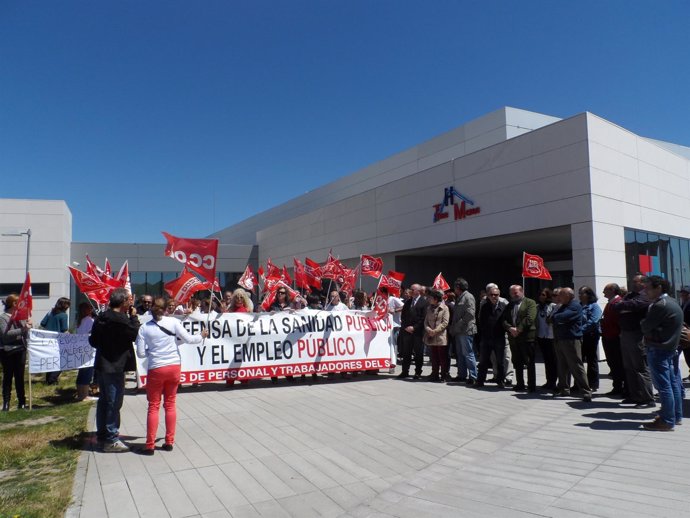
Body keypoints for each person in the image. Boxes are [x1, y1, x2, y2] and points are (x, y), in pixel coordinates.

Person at [135, 298, 208, 454]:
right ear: (166, 309)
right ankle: (169, 441)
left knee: (153, 406)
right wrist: (201, 335)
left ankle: (149, 445)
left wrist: (152, 353)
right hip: (174, 366)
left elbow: (140, 353)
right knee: (170, 404)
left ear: (151, 310)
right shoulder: (174, 323)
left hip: (156, 368)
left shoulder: (144, 328)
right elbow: (190, 339)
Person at [89, 288, 140, 452]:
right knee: (114, 402)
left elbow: (93, 341)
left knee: (104, 400)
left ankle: (102, 434)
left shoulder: (101, 317)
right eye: (129, 300)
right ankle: (111, 439)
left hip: (103, 364)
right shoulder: (120, 320)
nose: (131, 303)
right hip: (115, 365)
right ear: (124, 301)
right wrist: (134, 317)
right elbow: (134, 333)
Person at [640, 276, 683, 431]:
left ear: (658, 288)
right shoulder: (671, 302)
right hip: (667, 348)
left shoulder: (660, 305)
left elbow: (645, 326)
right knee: (672, 383)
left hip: (659, 349)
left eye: (648, 288)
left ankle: (667, 420)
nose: (645, 291)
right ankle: (675, 416)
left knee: (664, 386)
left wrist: (644, 324)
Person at [612, 274, 655, 408]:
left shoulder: (645, 295)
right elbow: (616, 306)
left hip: (637, 335)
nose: (632, 283)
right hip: (625, 333)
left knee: (640, 367)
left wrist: (624, 306)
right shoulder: (630, 294)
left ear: (643, 283)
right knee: (629, 367)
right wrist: (624, 307)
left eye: (635, 281)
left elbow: (636, 305)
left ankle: (647, 398)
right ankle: (634, 395)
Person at [552, 288, 592, 402]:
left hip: (571, 340)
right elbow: (551, 318)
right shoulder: (563, 305)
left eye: (561, 295)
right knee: (562, 366)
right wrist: (555, 317)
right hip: (560, 339)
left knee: (576, 366)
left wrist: (555, 317)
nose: (558, 298)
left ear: (569, 295)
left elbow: (561, 317)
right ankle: (564, 389)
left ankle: (586, 391)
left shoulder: (575, 306)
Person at [0, 294, 32, 410]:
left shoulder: (21, 317)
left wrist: (27, 327)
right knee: (8, 377)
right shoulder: (3, 318)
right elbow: (5, 335)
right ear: (13, 304)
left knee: (20, 377)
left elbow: (25, 333)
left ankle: (22, 401)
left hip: (20, 349)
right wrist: (23, 329)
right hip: (7, 351)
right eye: (19, 303)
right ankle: (6, 403)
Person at [503, 285, 537, 392]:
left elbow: (530, 318)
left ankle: (531, 385)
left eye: (516, 292)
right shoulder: (509, 305)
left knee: (529, 362)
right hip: (514, 338)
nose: (514, 295)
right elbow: (503, 319)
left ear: (522, 292)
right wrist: (509, 328)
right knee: (517, 362)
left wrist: (518, 329)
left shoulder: (530, 302)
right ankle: (520, 384)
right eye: (512, 293)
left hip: (527, 338)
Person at [475, 286, 508, 388]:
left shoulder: (503, 306)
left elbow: (506, 321)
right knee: (483, 361)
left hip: (499, 337)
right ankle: (480, 381)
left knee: (500, 361)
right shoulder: (484, 306)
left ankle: (500, 380)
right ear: (488, 295)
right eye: (491, 295)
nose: (494, 297)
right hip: (486, 337)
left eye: (496, 295)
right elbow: (480, 320)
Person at [448, 278, 477, 384]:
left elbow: (470, 314)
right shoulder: (460, 297)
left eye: (455, 287)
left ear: (458, 287)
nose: (454, 289)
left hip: (465, 330)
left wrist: (458, 325)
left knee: (468, 353)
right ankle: (462, 375)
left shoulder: (468, 297)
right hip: (458, 331)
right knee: (459, 354)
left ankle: (473, 376)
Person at [601, 283, 626, 396]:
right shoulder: (611, 302)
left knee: (618, 363)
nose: (603, 292)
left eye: (605, 290)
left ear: (612, 290)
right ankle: (617, 387)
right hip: (608, 337)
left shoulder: (618, 302)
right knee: (613, 363)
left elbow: (619, 321)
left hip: (615, 338)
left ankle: (623, 387)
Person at [398, 284, 427, 379]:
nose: (410, 291)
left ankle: (418, 372)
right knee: (406, 352)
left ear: (418, 291)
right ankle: (405, 371)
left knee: (418, 353)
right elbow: (403, 316)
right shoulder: (408, 302)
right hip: (407, 332)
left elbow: (423, 318)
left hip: (418, 332)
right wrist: (405, 327)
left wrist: (414, 328)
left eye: (412, 289)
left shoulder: (424, 302)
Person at [41, 297, 71, 384]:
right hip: (58, 341)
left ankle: (48, 380)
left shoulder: (50, 312)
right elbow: (64, 329)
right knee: (62, 361)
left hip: (48, 340)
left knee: (51, 360)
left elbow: (42, 323)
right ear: (64, 305)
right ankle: (52, 379)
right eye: (68, 304)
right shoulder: (64, 315)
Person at [578, 286, 602, 391]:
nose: (579, 295)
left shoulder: (594, 306)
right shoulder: (578, 306)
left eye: (582, 293)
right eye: (579, 293)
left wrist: (580, 330)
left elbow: (593, 321)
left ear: (588, 295)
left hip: (590, 336)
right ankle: (580, 383)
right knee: (579, 360)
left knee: (591, 360)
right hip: (579, 336)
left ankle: (593, 384)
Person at [423, 290, 450, 382]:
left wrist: (435, 331)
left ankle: (443, 375)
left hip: (440, 336)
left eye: (430, 298)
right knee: (434, 356)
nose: (429, 299)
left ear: (436, 299)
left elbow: (445, 322)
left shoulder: (445, 308)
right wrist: (428, 329)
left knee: (442, 356)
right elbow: (425, 321)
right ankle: (434, 374)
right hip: (431, 335)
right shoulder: (429, 308)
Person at [536, 288, 558, 390]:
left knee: (553, 360)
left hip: (551, 336)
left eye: (543, 295)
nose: (541, 296)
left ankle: (554, 381)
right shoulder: (538, 307)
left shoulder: (553, 306)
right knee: (547, 360)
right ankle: (549, 381)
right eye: (540, 294)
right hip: (541, 335)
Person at [75, 302, 96, 401]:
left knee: (81, 372)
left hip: (80, 348)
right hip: (88, 349)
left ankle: (80, 393)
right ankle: (84, 395)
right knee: (87, 372)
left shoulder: (79, 321)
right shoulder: (90, 321)